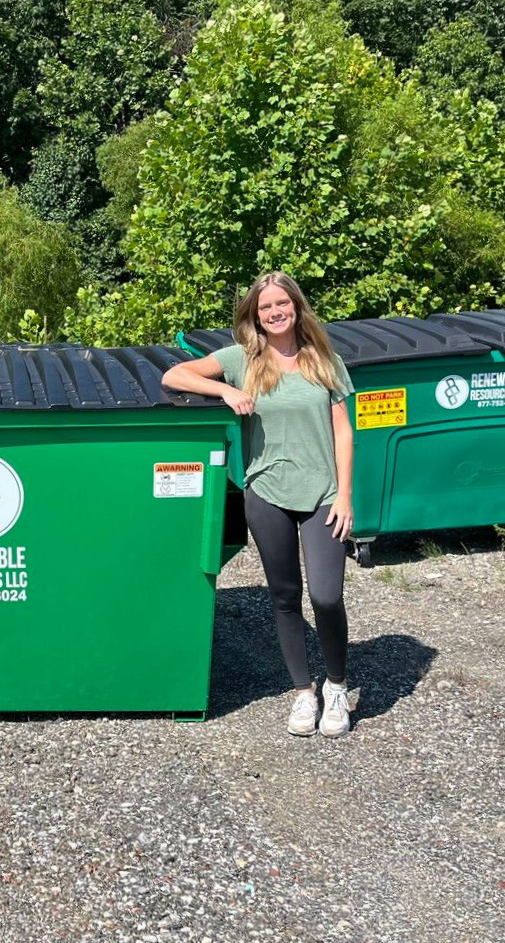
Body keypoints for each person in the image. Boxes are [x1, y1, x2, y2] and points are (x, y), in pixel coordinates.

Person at [163, 272, 355, 738]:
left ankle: (336, 686)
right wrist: (227, 390)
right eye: (265, 307)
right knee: (285, 597)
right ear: (255, 315)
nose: (274, 313)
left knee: (326, 596)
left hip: (323, 495)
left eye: (281, 304)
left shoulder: (322, 359)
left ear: (296, 307)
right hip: (265, 493)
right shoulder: (241, 360)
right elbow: (174, 375)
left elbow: (343, 431)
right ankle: (303, 694)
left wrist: (346, 494)